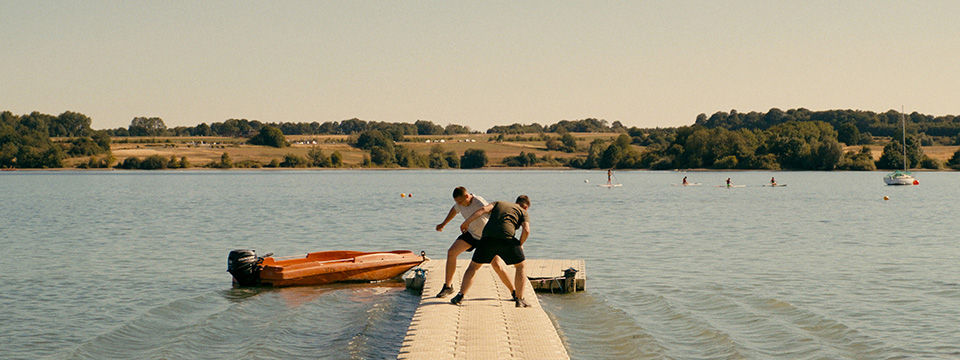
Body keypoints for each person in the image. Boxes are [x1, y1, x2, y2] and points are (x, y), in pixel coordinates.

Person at [434, 187, 516, 299]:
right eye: (457, 202)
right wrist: (443, 224)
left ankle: (514, 292)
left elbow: (493, 215)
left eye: (460, 201)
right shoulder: (460, 203)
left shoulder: (479, 202)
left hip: (487, 238)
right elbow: (454, 210)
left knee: (497, 265)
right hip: (472, 234)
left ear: (467, 196)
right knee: (451, 252)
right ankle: (448, 287)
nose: (459, 204)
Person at [451, 195, 532, 308]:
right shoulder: (523, 212)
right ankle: (519, 299)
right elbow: (526, 230)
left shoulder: (499, 203)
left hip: (487, 238)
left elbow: (483, 210)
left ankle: (460, 296)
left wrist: (467, 222)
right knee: (520, 266)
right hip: (507, 238)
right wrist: (520, 244)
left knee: (474, 266)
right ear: (525, 206)